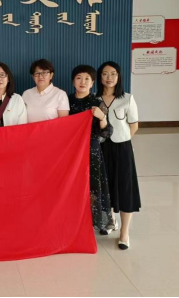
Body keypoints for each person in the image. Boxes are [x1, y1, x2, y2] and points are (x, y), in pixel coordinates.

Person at [97, 61, 141, 250]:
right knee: (105, 186)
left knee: (125, 188)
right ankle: (110, 221)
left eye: (113, 74)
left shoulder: (127, 98)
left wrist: (123, 141)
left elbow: (134, 125)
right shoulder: (95, 99)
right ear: (100, 77)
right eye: (105, 74)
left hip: (122, 148)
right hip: (101, 148)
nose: (109, 77)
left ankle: (124, 233)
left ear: (119, 76)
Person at [68, 65, 113, 235]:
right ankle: (74, 222)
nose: (83, 82)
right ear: (73, 81)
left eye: (87, 79)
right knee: (73, 187)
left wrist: (102, 117)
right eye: (79, 78)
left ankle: (95, 222)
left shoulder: (97, 102)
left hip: (91, 151)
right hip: (71, 152)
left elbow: (107, 132)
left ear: (93, 82)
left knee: (93, 188)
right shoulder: (66, 101)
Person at [22, 59, 69, 123]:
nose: (40, 76)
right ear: (33, 76)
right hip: (29, 129)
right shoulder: (26, 94)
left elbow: (63, 122)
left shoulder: (60, 94)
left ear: (51, 75)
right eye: (37, 73)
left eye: (44, 73)